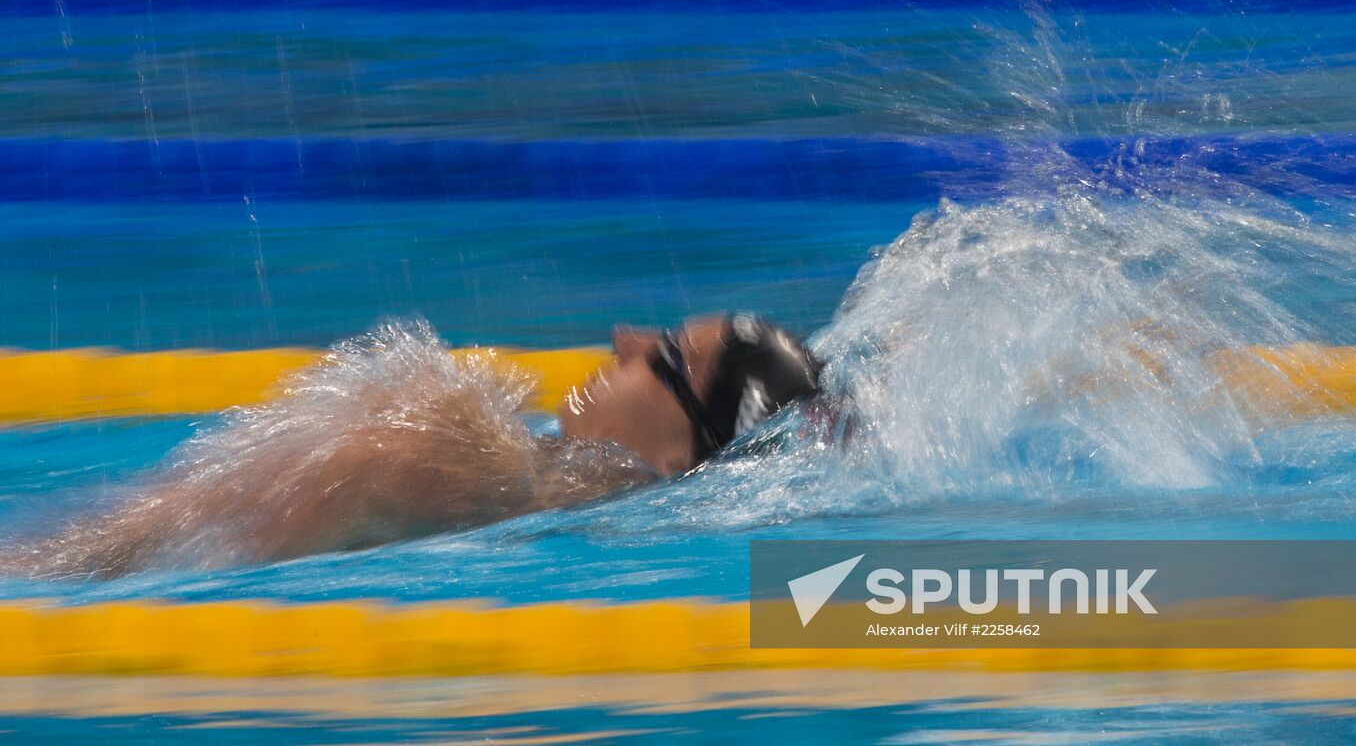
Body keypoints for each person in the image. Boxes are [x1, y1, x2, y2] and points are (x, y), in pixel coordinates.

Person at [8, 313, 821, 578]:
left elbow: (134, 558)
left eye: (670, 356)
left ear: (682, 458)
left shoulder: (445, 446)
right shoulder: (480, 465)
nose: (626, 337)